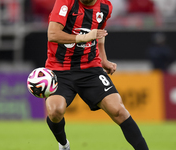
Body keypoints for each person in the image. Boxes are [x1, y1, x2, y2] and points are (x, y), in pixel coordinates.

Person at [45, 0, 149, 150]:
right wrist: (83, 37)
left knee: (118, 110)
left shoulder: (105, 6)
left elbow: (99, 33)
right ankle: (63, 144)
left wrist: (103, 59)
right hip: (59, 69)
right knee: (55, 111)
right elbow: (52, 34)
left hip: (90, 68)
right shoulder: (65, 2)